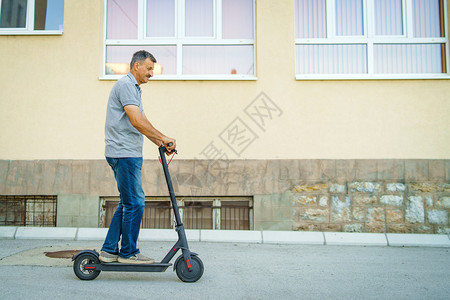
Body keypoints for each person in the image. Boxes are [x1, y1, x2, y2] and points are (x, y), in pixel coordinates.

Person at [100, 50, 176, 264]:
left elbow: (142, 120)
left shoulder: (133, 89)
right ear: (136, 66)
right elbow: (136, 121)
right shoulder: (126, 85)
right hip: (123, 153)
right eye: (149, 68)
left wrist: (159, 140)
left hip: (126, 152)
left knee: (127, 203)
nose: (152, 73)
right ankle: (128, 253)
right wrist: (162, 137)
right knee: (136, 202)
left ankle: (108, 250)